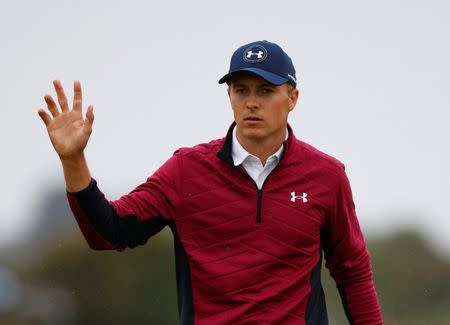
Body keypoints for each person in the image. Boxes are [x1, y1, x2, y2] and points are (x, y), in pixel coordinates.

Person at [38, 40, 383, 325]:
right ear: (229, 96)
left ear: (292, 98)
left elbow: (352, 272)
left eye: (265, 90)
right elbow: (109, 231)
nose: (251, 102)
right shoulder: (186, 170)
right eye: (241, 90)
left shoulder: (326, 176)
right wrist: (73, 159)